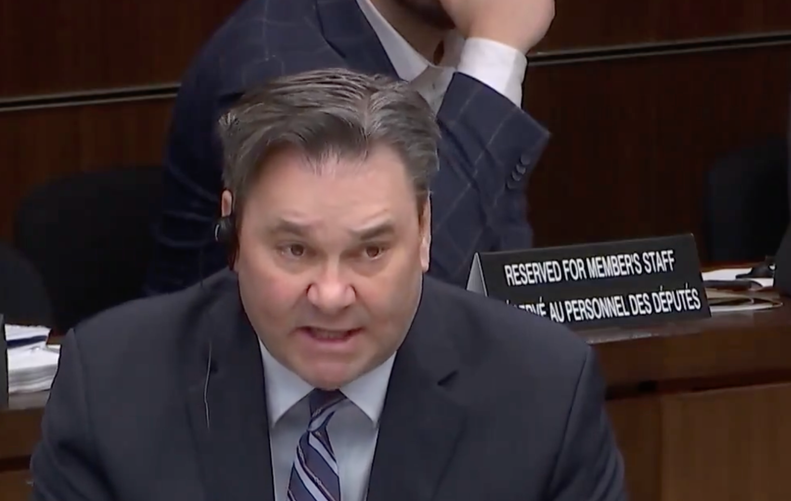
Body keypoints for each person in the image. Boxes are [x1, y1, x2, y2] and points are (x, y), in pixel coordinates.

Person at [19, 69, 639, 501]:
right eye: (295, 250)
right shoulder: (113, 384)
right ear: (234, 231)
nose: (332, 294)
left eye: (371, 250)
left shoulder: (541, 391)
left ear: (424, 230)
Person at [142, 0, 555, 297]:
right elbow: (395, 306)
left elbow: (503, 273)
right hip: (241, 388)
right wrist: (494, 56)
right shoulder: (276, 63)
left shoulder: (457, 49)